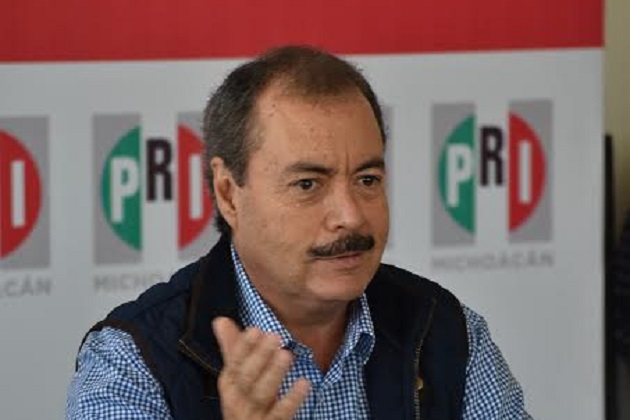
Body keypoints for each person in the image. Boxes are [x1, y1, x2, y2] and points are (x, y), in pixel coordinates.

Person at [67, 45, 530, 419]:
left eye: (367, 180)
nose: (350, 216)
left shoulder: (447, 332)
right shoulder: (131, 363)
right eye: (308, 184)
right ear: (229, 194)